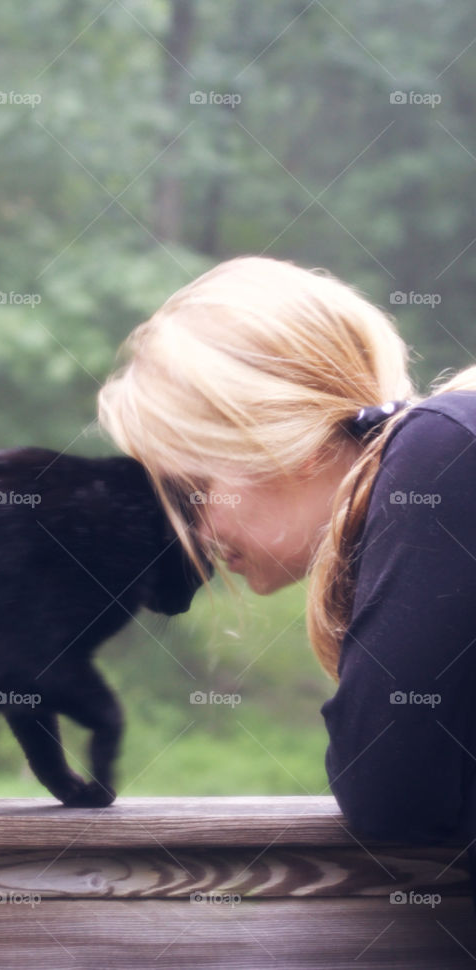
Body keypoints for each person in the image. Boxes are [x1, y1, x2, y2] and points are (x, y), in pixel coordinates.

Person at [96, 256, 476, 867]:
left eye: (190, 486)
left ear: (272, 436)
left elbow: (390, 788)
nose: (190, 534)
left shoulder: (448, 446)